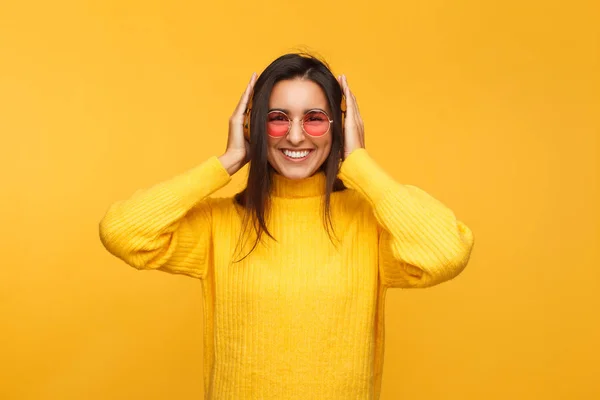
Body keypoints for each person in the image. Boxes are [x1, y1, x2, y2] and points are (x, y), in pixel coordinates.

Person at [99, 53, 474, 400]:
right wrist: (228, 160)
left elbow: (447, 252)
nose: (296, 136)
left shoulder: (371, 225)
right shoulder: (220, 223)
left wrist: (358, 162)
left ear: (339, 126)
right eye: (278, 118)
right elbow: (122, 231)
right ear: (254, 127)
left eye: (314, 118)